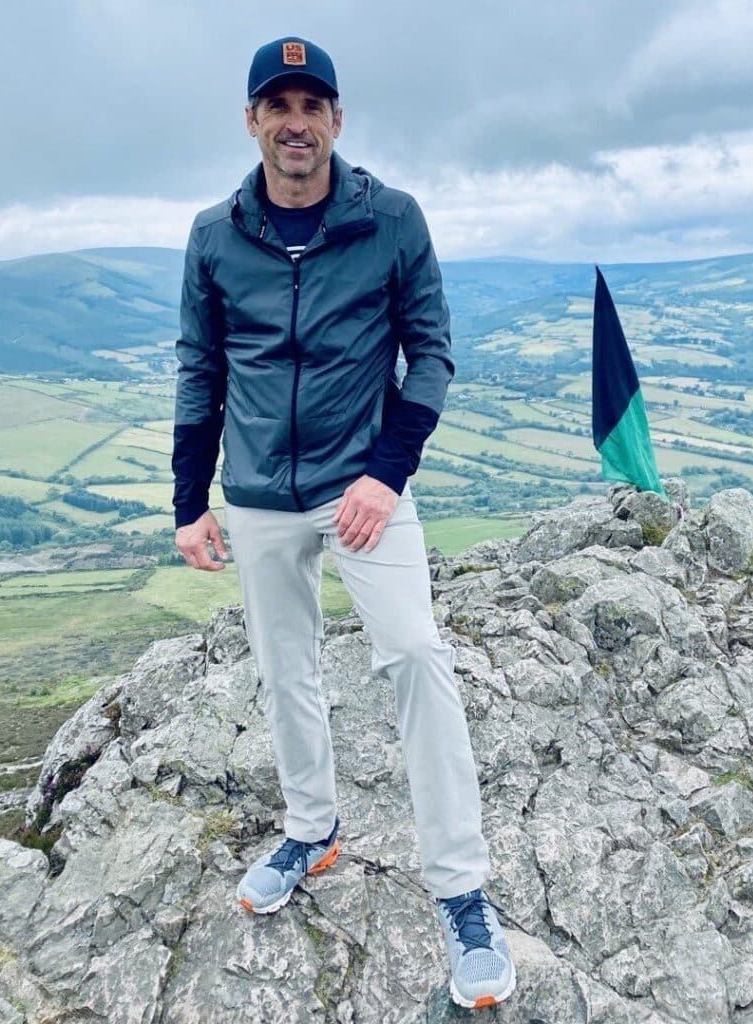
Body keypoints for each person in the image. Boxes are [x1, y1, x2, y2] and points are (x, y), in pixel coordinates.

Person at [170, 35, 516, 1009]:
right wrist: (189, 499)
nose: (295, 122)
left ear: (336, 120)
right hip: (257, 497)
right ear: (251, 121)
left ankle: (460, 891)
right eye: (277, 105)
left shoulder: (392, 221)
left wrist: (383, 474)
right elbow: (201, 373)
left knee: (413, 653)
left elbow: (433, 355)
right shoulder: (215, 234)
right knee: (286, 670)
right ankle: (311, 827)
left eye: (311, 104)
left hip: (362, 485)